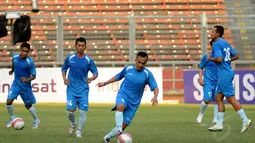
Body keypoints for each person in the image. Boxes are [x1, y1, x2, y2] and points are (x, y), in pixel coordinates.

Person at [96, 51, 159, 143]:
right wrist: (105, 83)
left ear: (146, 62)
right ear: (136, 60)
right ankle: (119, 130)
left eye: (143, 63)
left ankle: (106, 138)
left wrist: (155, 97)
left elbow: (155, 87)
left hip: (134, 104)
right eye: (139, 62)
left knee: (124, 125)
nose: (140, 65)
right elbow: (118, 77)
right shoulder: (128, 69)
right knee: (120, 106)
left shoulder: (147, 74)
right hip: (123, 95)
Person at [207, 25, 252, 132]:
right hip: (227, 72)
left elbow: (219, 59)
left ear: (218, 33)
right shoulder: (225, 43)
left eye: (213, 31)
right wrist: (227, 61)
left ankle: (245, 120)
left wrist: (210, 58)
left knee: (230, 98)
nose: (210, 33)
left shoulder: (216, 44)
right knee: (218, 98)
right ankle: (219, 124)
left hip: (224, 74)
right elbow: (236, 56)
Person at [61, 37, 98, 137]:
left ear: (85, 47)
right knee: (70, 111)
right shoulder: (70, 58)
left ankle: (79, 131)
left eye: (82, 46)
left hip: (83, 90)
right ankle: (73, 124)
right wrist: (65, 79)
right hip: (71, 89)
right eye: (79, 45)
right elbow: (64, 69)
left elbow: (95, 72)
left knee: (82, 111)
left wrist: (91, 78)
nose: (80, 47)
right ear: (75, 46)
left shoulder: (88, 60)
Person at [6, 42, 40, 129]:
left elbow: (34, 76)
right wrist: (12, 70)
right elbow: (14, 64)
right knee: (8, 102)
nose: (24, 53)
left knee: (28, 106)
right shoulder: (14, 57)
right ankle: (12, 118)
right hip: (16, 85)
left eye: (26, 51)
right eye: (23, 51)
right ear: (20, 50)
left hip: (25, 87)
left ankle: (36, 120)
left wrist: (26, 80)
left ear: (29, 52)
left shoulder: (30, 62)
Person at [196, 40, 218, 124]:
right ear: (211, 46)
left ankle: (215, 118)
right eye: (214, 45)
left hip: (218, 82)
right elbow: (201, 67)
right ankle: (201, 113)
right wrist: (200, 79)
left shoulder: (221, 57)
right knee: (206, 100)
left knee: (217, 99)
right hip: (208, 81)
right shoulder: (206, 56)